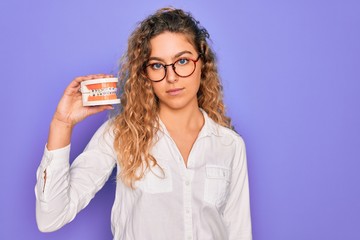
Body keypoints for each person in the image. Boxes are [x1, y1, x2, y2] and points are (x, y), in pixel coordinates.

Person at [35, 7, 252, 240]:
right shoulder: (121, 133)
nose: (172, 77)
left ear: (202, 62)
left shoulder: (230, 145)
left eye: (183, 61)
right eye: (157, 65)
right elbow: (50, 218)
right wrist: (62, 124)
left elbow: (239, 232)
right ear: (145, 74)